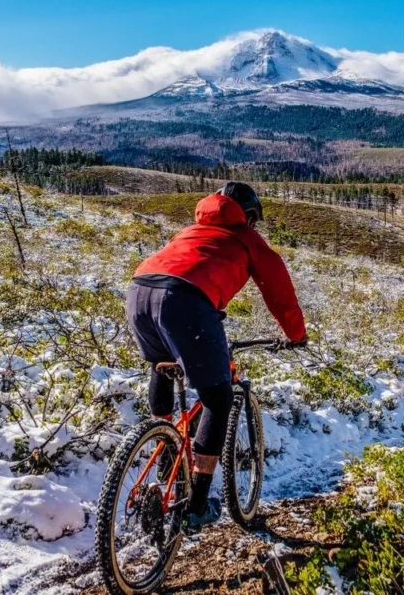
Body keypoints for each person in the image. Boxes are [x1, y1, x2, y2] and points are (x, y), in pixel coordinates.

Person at [126, 181, 307, 529]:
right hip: (185, 302)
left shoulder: (191, 230)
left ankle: (164, 451)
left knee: (163, 369)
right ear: (249, 218)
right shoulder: (246, 237)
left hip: (139, 293)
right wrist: (296, 336)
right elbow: (279, 293)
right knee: (218, 399)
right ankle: (196, 506)